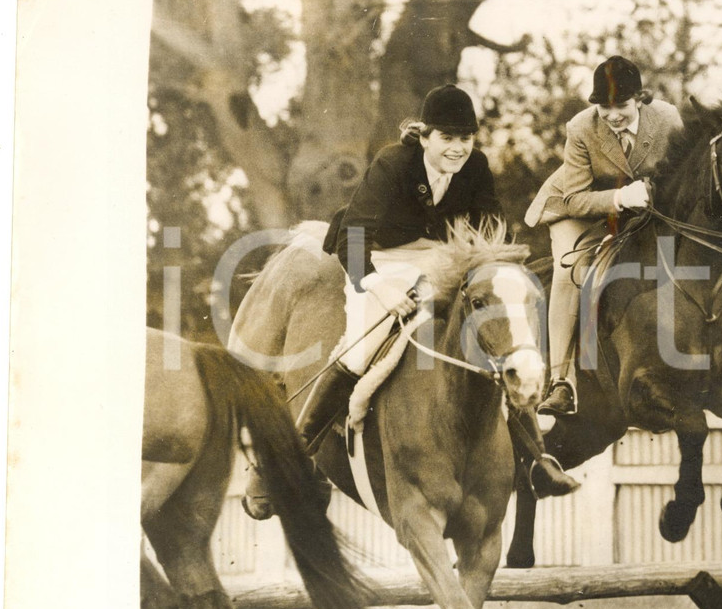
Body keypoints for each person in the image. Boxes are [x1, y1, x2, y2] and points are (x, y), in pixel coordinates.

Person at [244, 84, 577, 520]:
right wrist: (382, 288)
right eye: (447, 139)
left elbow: (491, 224)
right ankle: (294, 455)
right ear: (425, 137)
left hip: (441, 259)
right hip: (376, 257)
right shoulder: (392, 164)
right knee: (360, 349)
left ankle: (540, 459)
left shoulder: (475, 166)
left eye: (466, 139)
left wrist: (495, 271)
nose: (458, 149)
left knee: (496, 338)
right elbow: (353, 236)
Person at [525, 56, 684, 417]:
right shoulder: (581, 127)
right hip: (577, 208)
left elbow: (681, 174)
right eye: (604, 107)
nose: (612, 116)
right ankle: (561, 382)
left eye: (622, 106)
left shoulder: (669, 120)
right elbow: (575, 198)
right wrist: (620, 198)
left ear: (640, 98)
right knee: (570, 273)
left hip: (643, 208)